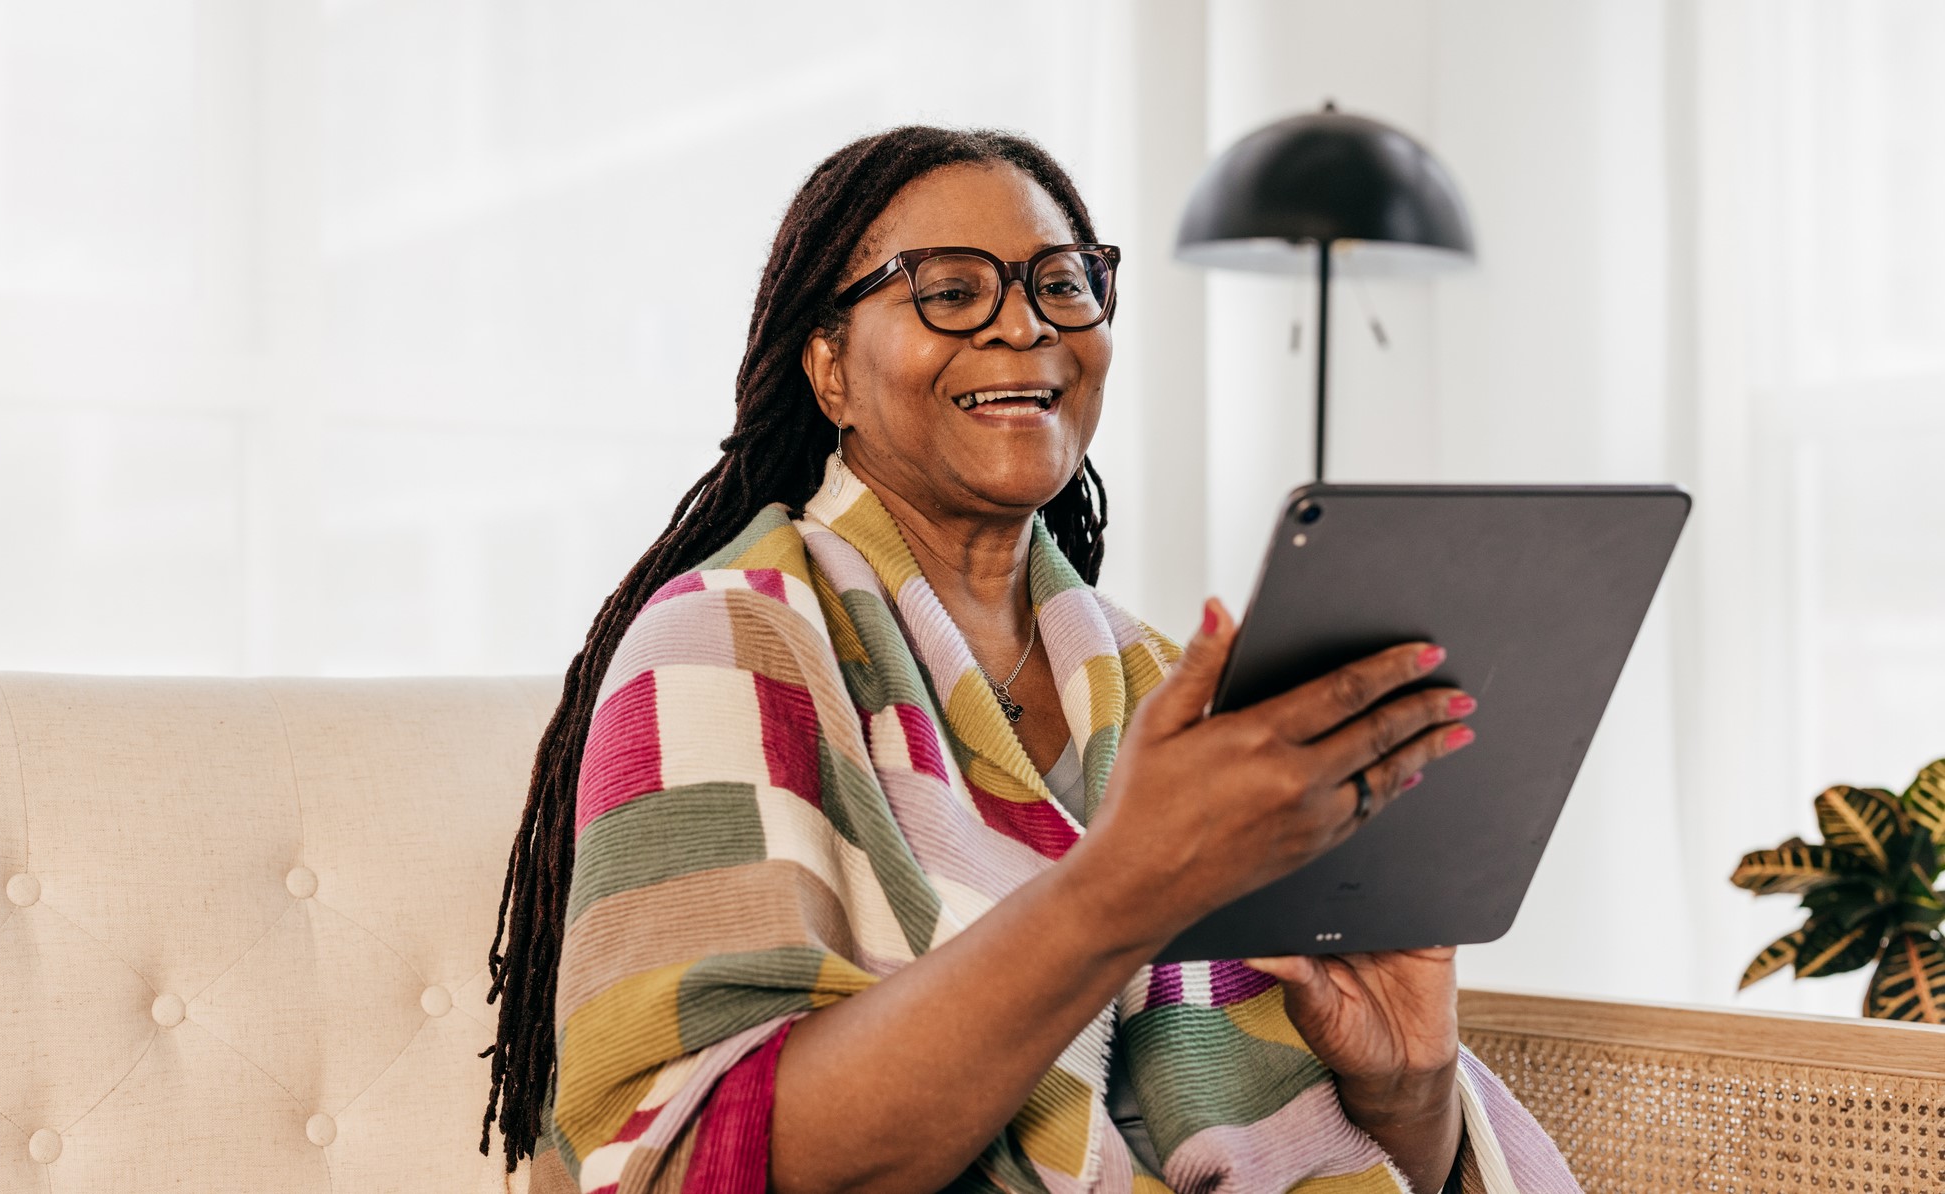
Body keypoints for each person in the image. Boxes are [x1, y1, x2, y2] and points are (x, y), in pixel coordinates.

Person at [483, 126, 1576, 1194]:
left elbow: (1386, 1160)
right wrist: (1123, 887)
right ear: (830, 369)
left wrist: (1405, 1082)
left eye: (1061, 283)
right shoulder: (726, 641)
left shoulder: (1164, 686)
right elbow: (695, 1160)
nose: (1024, 324)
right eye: (951, 291)